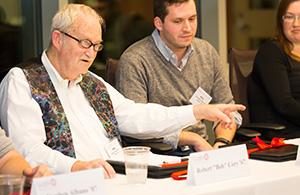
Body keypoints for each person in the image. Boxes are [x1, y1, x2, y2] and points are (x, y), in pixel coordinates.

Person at [0, 4, 245, 178]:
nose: (91, 53)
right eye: (85, 43)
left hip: (121, 175)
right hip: (71, 185)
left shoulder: (91, 81)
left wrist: (197, 111)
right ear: (58, 38)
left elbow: (137, 115)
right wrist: (76, 167)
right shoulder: (22, 81)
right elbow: (27, 150)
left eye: (96, 45)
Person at [116, 0, 240, 149]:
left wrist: (221, 143)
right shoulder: (135, 60)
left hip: (202, 152)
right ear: (159, 23)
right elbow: (136, 125)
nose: (187, 28)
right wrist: (193, 139)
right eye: (178, 21)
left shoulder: (207, 52)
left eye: (192, 19)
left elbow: (228, 111)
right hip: (159, 156)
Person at [249, 0, 300, 139]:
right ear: (281, 20)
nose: (296, 23)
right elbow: (285, 105)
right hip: (283, 136)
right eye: (289, 17)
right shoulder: (271, 52)